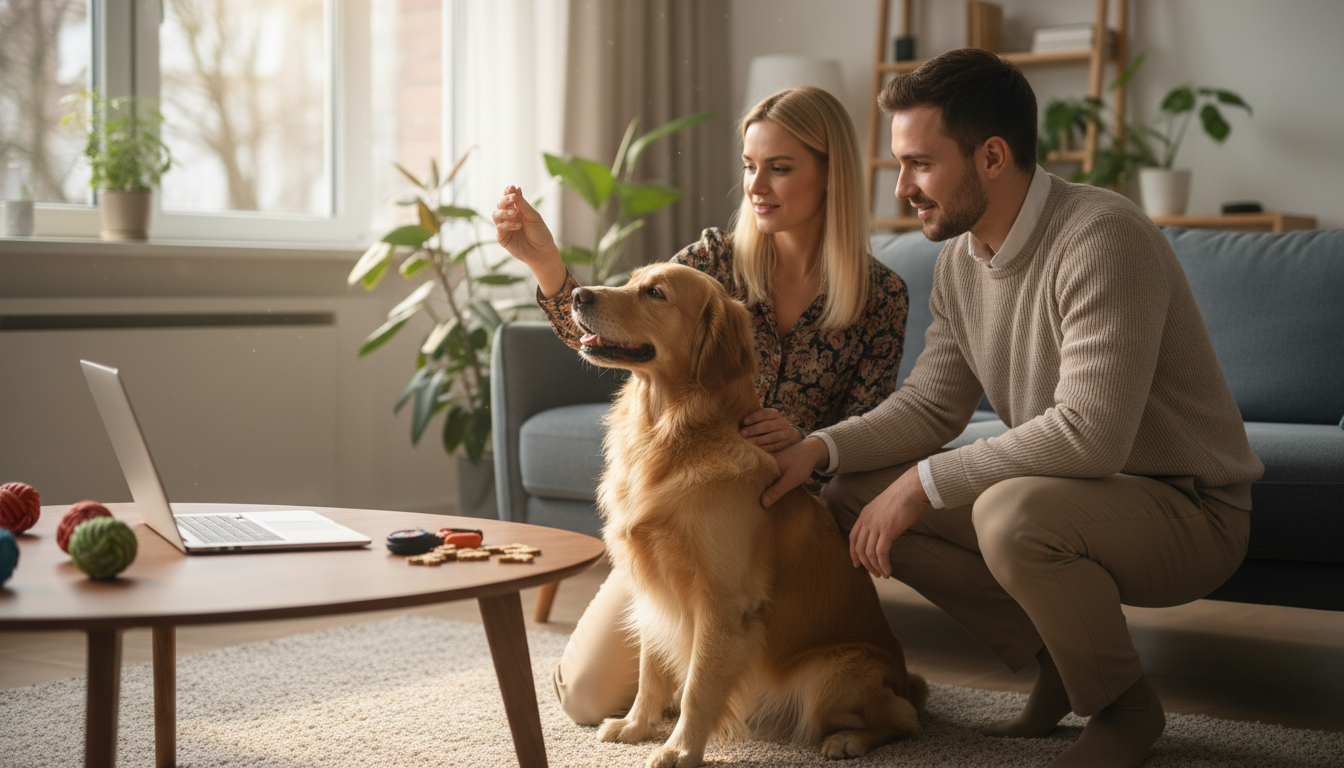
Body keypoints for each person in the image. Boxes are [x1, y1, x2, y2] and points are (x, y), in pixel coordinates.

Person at [763, 49, 1262, 768]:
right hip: (1081, 494)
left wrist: (925, 482)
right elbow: (934, 403)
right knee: (854, 493)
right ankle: (1060, 662)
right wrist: (818, 447)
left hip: (1189, 509)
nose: (902, 187)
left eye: (920, 164)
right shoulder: (962, 263)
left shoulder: (1103, 237)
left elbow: (1092, 435)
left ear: (992, 156)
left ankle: (1125, 707)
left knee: (1007, 513)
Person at [492, 85, 909, 724]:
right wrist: (550, 267)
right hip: (684, 503)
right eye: (749, 166)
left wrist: (807, 441)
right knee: (583, 698)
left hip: (776, 523)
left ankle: (739, 680)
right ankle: (696, 672)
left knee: (740, 649)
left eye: (780, 167)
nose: (757, 185)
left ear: (831, 175)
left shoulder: (880, 296)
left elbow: (876, 425)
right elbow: (624, 324)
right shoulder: (714, 260)